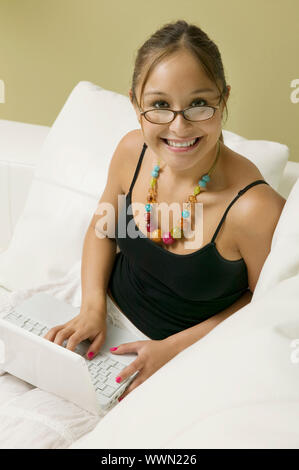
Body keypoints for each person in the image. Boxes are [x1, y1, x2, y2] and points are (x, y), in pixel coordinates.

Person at [44, 20, 286, 402]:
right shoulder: (131, 152)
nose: (178, 127)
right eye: (159, 105)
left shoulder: (255, 208)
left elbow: (265, 306)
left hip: (186, 355)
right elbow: (101, 227)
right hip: (100, 324)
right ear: (135, 104)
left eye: (198, 104)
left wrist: (173, 350)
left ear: (223, 99)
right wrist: (90, 306)